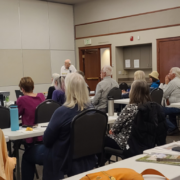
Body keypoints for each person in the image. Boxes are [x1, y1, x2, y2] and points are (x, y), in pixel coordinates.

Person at [21, 73, 97, 180]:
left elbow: (47, 140)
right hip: (85, 156)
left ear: (68, 89)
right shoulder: (92, 110)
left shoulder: (62, 111)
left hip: (61, 156)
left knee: (27, 155)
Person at [105, 80, 151, 157]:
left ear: (133, 92)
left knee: (103, 140)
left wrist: (112, 131)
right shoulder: (151, 107)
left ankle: (99, 164)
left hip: (126, 142)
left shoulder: (130, 108)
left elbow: (114, 128)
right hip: (145, 142)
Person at [16, 77, 45, 143]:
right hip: (43, 132)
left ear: (22, 89)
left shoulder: (21, 100)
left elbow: (16, 115)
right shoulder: (41, 96)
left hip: (30, 134)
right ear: (33, 87)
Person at [159, 67, 180, 135]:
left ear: (174, 74)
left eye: (169, 72)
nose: (168, 74)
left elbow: (164, 94)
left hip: (176, 107)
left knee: (158, 111)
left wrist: (166, 83)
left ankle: (172, 127)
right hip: (176, 106)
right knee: (170, 112)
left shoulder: (173, 82)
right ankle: (174, 128)